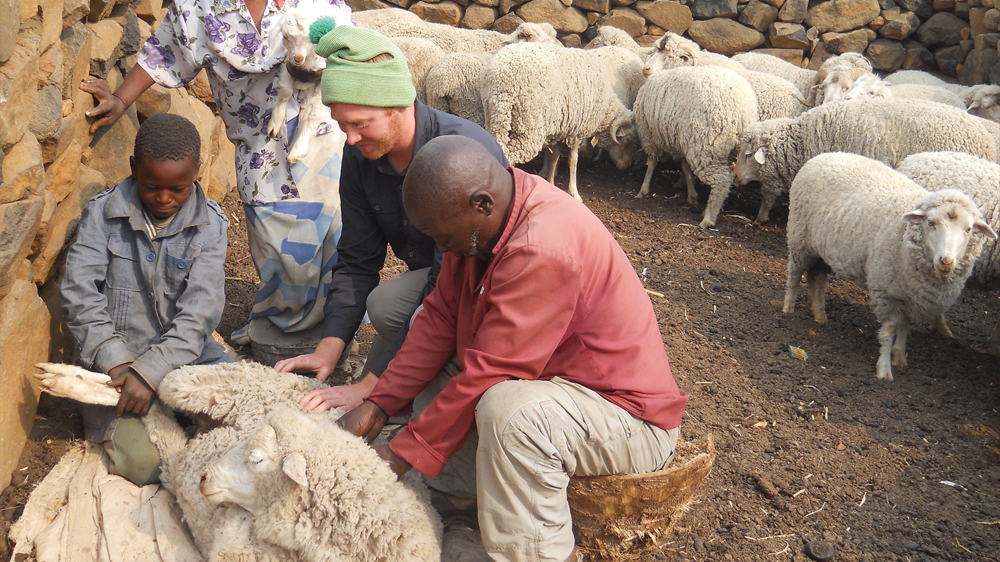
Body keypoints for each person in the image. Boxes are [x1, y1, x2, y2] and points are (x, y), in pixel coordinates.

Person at [334, 135, 690, 562]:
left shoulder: (543, 247)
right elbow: (440, 318)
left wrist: (400, 452)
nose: (442, 250)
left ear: (482, 204)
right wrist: (378, 404)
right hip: (558, 386)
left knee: (511, 412)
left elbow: (489, 372)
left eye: (445, 238)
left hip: (625, 417)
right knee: (436, 340)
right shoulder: (484, 218)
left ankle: (537, 553)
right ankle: (460, 507)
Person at [80, 0, 353, 340]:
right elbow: (165, 51)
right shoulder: (201, 5)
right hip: (258, 150)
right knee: (278, 248)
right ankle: (284, 337)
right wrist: (120, 100)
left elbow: (348, 47)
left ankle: (337, 334)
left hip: (320, 133)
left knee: (335, 238)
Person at [274, 25, 509, 411]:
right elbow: (356, 258)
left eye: (361, 124)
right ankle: (410, 380)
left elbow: (443, 289)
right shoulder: (361, 154)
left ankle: (438, 388)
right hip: (441, 279)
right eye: (342, 124)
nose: (349, 138)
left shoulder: (461, 156)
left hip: (490, 285)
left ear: (398, 104)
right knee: (384, 303)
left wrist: (371, 385)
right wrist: (329, 350)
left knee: (418, 324)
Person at [61, 114, 232, 486]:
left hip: (188, 357)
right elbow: (79, 295)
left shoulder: (212, 225)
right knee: (148, 465)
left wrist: (152, 371)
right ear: (134, 168)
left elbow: (200, 313)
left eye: (179, 188)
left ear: (197, 173)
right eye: (152, 186)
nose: (164, 198)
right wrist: (118, 363)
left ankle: (181, 416)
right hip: (116, 373)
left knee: (245, 426)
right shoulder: (102, 215)